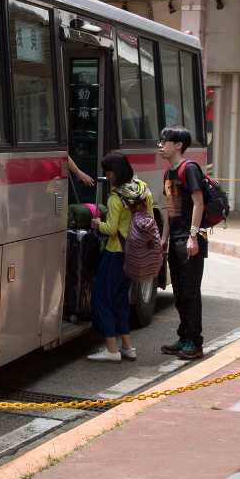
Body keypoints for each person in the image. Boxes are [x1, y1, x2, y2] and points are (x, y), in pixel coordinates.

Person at [87, 152, 151, 362]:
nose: (107, 175)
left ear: (115, 173)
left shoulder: (116, 198)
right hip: (135, 253)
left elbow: (111, 229)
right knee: (121, 299)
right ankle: (128, 347)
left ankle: (112, 349)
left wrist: (97, 223)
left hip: (116, 253)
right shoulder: (143, 190)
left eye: (108, 171)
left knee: (102, 298)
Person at [158, 125, 206, 360]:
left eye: (165, 141)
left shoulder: (190, 169)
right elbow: (170, 208)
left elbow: (199, 203)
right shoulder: (168, 173)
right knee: (178, 292)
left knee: (190, 292)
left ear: (178, 145)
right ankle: (184, 337)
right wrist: (164, 237)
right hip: (175, 239)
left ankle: (195, 343)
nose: (161, 145)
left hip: (190, 240)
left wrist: (193, 236)